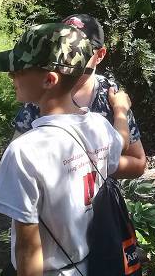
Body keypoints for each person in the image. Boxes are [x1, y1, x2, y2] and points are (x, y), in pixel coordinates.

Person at [0, 23, 125, 276]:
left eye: (19, 70)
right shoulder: (99, 127)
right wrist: (120, 111)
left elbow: (28, 248)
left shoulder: (25, 151)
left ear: (49, 79)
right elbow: (120, 145)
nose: (11, 76)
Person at [13, 14, 146, 178]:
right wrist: (81, 161)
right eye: (60, 46)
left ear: (100, 55)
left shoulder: (109, 95)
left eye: (81, 50)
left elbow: (138, 163)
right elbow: (18, 161)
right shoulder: (43, 90)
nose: (67, 56)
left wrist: (80, 165)